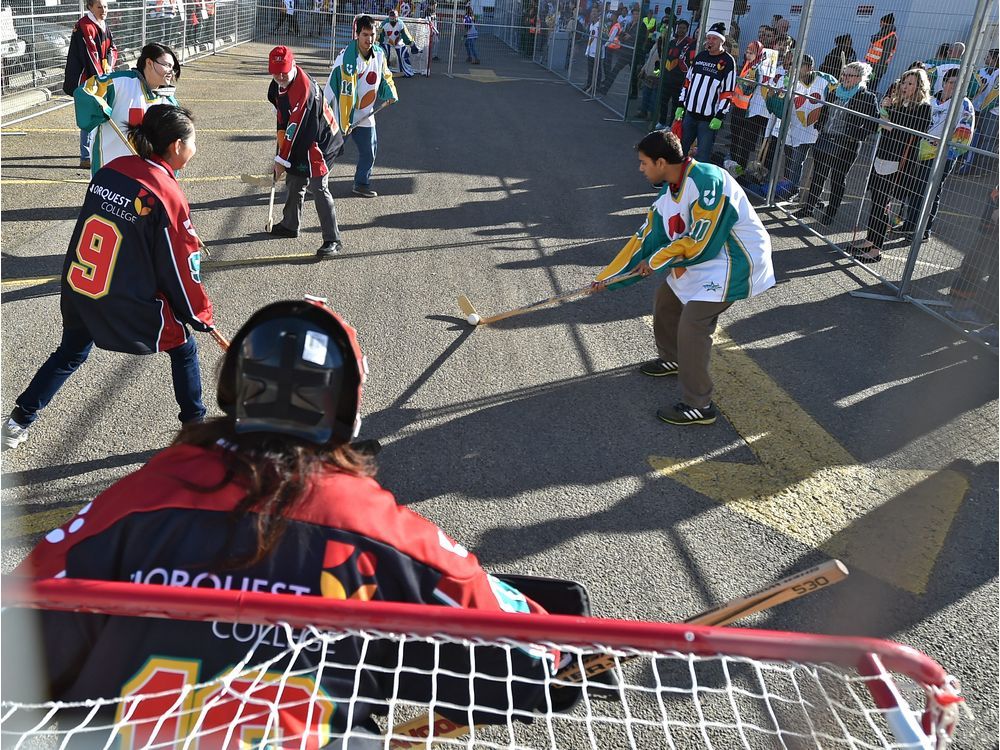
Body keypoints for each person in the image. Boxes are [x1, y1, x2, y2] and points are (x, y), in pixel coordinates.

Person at [8, 297, 577, 744]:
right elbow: (522, 656)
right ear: (348, 407)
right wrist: (552, 653)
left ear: (233, 392)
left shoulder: (135, 499)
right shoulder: (375, 525)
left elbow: (20, 644)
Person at [1, 105, 213, 452]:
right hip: (120, 295)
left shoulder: (111, 170)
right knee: (184, 347)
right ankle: (196, 431)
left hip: (82, 284)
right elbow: (178, 265)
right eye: (193, 142)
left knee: (70, 352)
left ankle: (17, 421)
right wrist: (199, 313)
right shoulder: (165, 193)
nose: (195, 149)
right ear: (176, 146)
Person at [590, 129, 774, 426]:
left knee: (694, 324)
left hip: (736, 260)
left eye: (643, 162)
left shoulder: (708, 182)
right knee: (666, 299)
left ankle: (699, 405)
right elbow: (646, 236)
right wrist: (609, 277)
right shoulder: (669, 191)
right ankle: (673, 358)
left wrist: (656, 260)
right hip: (707, 257)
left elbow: (703, 240)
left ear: (661, 162)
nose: (640, 168)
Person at [846, 68, 932, 263]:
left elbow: (901, 130)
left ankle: (877, 249)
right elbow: (883, 126)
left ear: (919, 86)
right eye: (904, 82)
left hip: (899, 160)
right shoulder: (896, 103)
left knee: (884, 205)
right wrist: (885, 109)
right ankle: (870, 238)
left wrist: (888, 117)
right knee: (875, 201)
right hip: (882, 155)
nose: (905, 87)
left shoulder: (923, 108)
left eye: (910, 84)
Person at [267, 45, 344, 259]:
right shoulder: (277, 84)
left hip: (321, 140)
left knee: (318, 187)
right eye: (275, 71)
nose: (280, 75)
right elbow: (283, 118)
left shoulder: (304, 90)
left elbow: (297, 129)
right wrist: (281, 141)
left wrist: (282, 159)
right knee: (294, 180)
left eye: (284, 70)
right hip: (303, 137)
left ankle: (333, 239)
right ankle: (290, 225)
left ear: (293, 65)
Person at [74, 42, 180, 176]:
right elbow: (86, 90)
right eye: (167, 65)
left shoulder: (170, 102)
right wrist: (96, 103)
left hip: (146, 177)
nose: (171, 71)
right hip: (110, 170)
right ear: (149, 63)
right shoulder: (118, 82)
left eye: (173, 67)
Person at [896, 67, 975, 240]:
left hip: (942, 156)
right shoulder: (931, 100)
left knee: (931, 192)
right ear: (945, 82)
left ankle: (923, 231)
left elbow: (964, 134)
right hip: (920, 152)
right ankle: (909, 225)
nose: (954, 87)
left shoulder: (964, 104)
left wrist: (947, 147)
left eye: (959, 84)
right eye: (951, 82)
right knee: (916, 189)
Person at [797, 61, 879, 225]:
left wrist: (854, 136)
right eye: (844, 74)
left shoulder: (867, 97)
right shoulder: (834, 92)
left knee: (837, 178)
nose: (845, 78)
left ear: (859, 78)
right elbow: (825, 110)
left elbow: (874, 123)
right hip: (826, 137)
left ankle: (830, 212)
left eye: (849, 75)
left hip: (847, 144)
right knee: (819, 174)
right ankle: (809, 206)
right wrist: (820, 125)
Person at [325, 17, 398, 199]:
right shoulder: (345, 58)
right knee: (332, 151)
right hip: (343, 113)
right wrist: (325, 111)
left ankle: (361, 183)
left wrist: (390, 93)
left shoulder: (379, 54)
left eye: (372, 34)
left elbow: (385, 76)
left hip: (365, 114)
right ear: (357, 35)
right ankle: (317, 181)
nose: (369, 39)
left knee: (369, 151)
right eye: (365, 35)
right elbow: (331, 87)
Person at [63, 0, 118, 170]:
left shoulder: (102, 24)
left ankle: (98, 148)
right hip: (85, 77)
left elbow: (112, 48)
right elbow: (90, 53)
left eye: (106, 6)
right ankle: (85, 156)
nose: (104, 10)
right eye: (100, 6)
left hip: (100, 75)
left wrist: (109, 63)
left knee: (102, 112)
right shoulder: (85, 25)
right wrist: (102, 76)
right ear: (90, 7)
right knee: (89, 114)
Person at [673, 22, 737, 163]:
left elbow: (728, 92)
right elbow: (687, 82)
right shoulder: (700, 56)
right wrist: (680, 105)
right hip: (689, 115)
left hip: (708, 120)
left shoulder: (728, 61)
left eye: (714, 38)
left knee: (702, 156)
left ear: (721, 41)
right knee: (679, 150)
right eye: (709, 38)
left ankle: (697, 185)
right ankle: (673, 181)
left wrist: (719, 116)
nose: (710, 41)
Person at [781, 54, 834, 193]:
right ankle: (792, 190)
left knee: (820, 168)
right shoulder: (791, 81)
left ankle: (813, 198)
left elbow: (834, 97)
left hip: (819, 130)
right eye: (794, 64)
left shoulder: (824, 81)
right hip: (799, 129)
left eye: (800, 65)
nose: (795, 68)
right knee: (796, 162)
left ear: (810, 67)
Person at [959, 48, 999, 175]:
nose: (985, 58)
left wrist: (984, 108)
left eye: (988, 57)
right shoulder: (984, 71)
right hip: (977, 109)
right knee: (973, 136)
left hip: (992, 112)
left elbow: (995, 96)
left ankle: (982, 169)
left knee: (988, 139)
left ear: (995, 59)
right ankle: (967, 164)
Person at [654, 18, 695, 128]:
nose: (681, 30)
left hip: (679, 80)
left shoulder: (690, 44)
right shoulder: (671, 42)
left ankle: (671, 124)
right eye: (679, 28)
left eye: (683, 28)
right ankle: (662, 121)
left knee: (676, 104)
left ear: (687, 29)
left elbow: (690, 61)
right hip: (667, 77)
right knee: (663, 101)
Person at [597, 7, 637, 95]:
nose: (635, 16)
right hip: (626, 51)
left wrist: (630, 36)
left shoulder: (640, 26)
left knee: (634, 73)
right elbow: (622, 35)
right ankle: (605, 89)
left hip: (633, 53)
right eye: (634, 14)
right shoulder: (630, 24)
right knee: (615, 70)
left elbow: (639, 38)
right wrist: (624, 35)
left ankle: (634, 92)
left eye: (637, 14)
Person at [379, 7, 421, 77]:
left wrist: (411, 43)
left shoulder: (401, 24)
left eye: (394, 16)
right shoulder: (384, 24)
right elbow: (379, 35)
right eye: (391, 16)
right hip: (386, 42)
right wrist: (378, 43)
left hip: (398, 42)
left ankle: (407, 71)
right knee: (383, 55)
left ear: (397, 17)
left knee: (404, 55)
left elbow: (406, 35)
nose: (392, 18)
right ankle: (382, 72)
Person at [863, 13, 897, 93]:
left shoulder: (890, 36)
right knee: (866, 87)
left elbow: (885, 55)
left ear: (884, 22)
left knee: (870, 89)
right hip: (870, 66)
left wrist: (875, 71)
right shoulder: (881, 34)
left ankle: (868, 104)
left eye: (881, 22)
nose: (880, 24)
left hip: (876, 69)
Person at [583, 7, 602, 90]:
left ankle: (596, 86)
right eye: (592, 11)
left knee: (597, 69)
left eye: (595, 12)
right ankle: (589, 84)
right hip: (590, 50)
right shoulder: (591, 24)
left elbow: (605, 37)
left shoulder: (600, 24)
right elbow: (587, 37)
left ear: (598, 13)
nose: (593, 13)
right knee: (590, 69)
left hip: (597, 51)